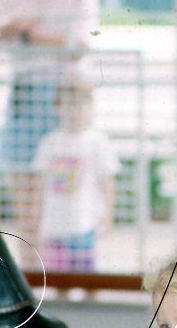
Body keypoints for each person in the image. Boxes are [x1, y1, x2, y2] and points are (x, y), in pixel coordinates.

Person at [0, 0, 99, 248]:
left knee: (64, 204)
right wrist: (6, 28)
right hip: (23, 96)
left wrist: (25, 34)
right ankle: (33, 279)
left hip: (66, 99)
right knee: (26, 211)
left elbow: (81, 45)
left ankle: (61, 277)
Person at [32, 75, 119, 271]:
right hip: (54, 226)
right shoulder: (50, 142)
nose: (74, 112)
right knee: (58, 279)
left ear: (90, 107)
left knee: (89, 278)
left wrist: (108, 214)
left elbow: (107, 181)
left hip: (85, 224)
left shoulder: (97, 141)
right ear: (57, 107)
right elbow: (39, 184)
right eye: (68, 105)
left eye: (80, 105)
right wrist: (36, 219)